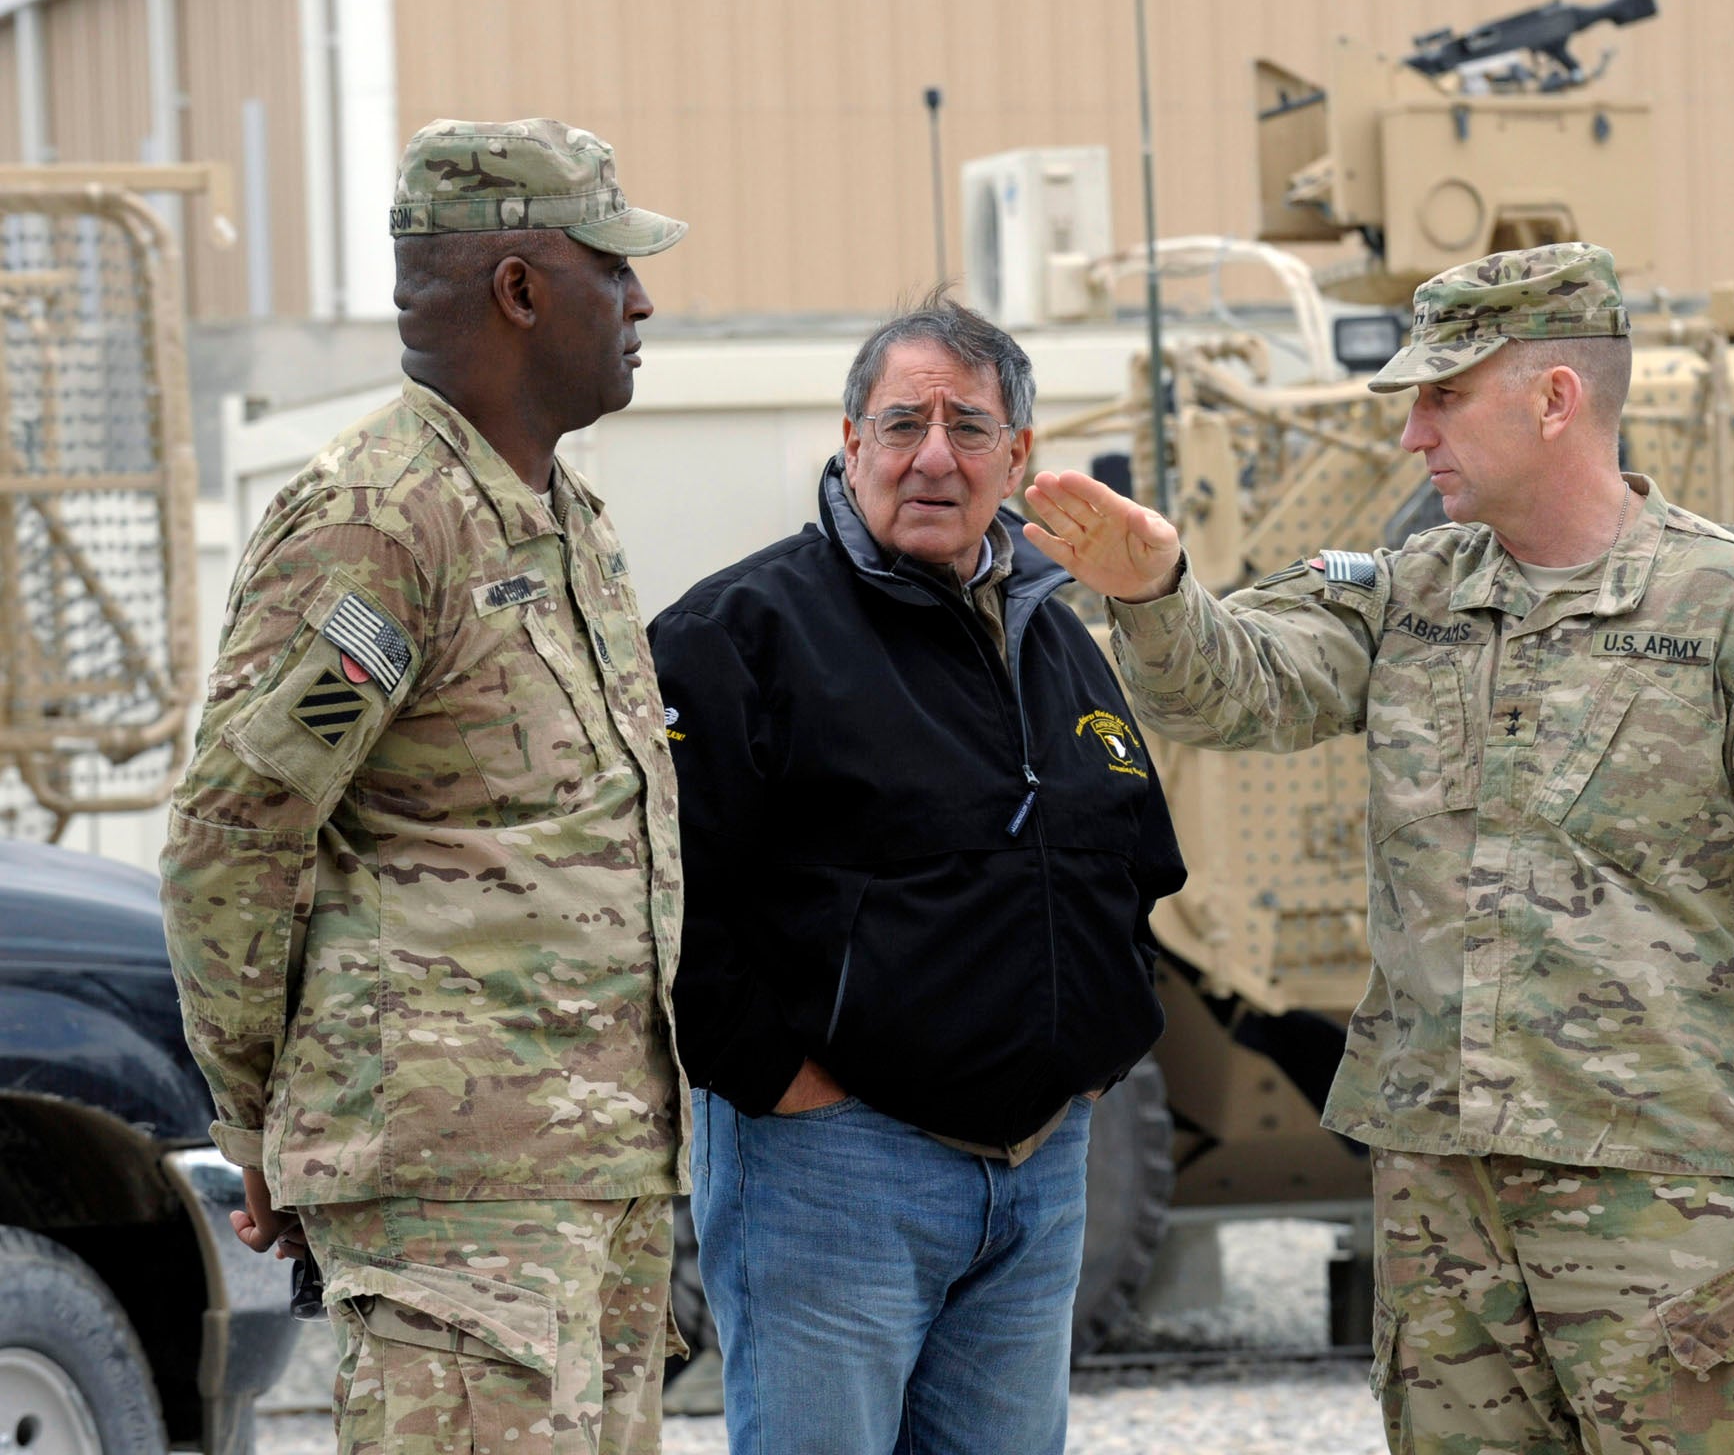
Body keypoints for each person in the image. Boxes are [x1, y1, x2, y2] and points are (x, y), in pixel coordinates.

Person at [1021, 243, 1734, 1454]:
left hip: (1653, 1195)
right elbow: (1236, 691)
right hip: (1437, 1195)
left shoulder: (1733, 613)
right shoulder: (1407, 592)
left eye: (1442, 395)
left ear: (1553, 400)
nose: (1412, 434)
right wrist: (1151, 592)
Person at [161, 118, 690, 1455]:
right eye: (610, 268)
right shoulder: (384, 525)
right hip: (454, 1204)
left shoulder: (562, 518)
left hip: (597, 1184)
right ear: (519, 290)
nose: (641, 301)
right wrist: (255, 1121)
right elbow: (237, 834)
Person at [646, 292, 1184, 1455]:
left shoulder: (1059, 636)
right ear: (850, 445)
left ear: (1018, 457)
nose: (932, 457)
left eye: (968, 427)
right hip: (835, 1170)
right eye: (901, 425)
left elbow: (1131, 862)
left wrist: (1090, 1061)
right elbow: (665, 899)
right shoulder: (737, 634)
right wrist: (781, 1084)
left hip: (1039, 1180)